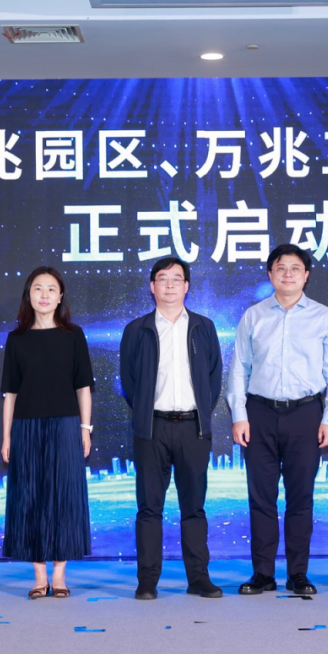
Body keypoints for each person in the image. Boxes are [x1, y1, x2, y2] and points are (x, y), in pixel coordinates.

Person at [227, 244, 328, 596]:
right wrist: (239, 415)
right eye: (281, 268)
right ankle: (262, 574)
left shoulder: (323, 317)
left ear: (306, 275)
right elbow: (239, 369)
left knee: (300, 498)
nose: (288, 274)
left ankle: (298, 575)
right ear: (270, 274)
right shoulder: (254, 316)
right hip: (259, 414)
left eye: (295, 268)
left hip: (306, 414)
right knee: (261, 498)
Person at [119, 257, 223, 600]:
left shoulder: (204, 327)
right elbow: (129, 382)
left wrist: (199, 411)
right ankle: (147, 581)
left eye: (176, 279)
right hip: (152, 429)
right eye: (162, 279)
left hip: (193, 428)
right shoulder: (137, 329)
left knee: (194, 508)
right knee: (149, 508)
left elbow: (213, 379)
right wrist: (147, 411)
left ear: (187, 286)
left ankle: (199, 579)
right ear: (152, 287)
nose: (169, 285)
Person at [0, 267, 94, 599]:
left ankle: (60, 575)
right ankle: (39, 577)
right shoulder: (16, 339)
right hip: (26, 427)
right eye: (38, 288)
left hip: (66, 425)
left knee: (65, 498)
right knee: (30, 498)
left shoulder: (73, 335)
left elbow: (83, 387)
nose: (44, 294)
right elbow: (10, 394)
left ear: (60, 296)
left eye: (51, 289)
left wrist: (85, 428)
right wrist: (7, 436)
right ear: (29, 295)